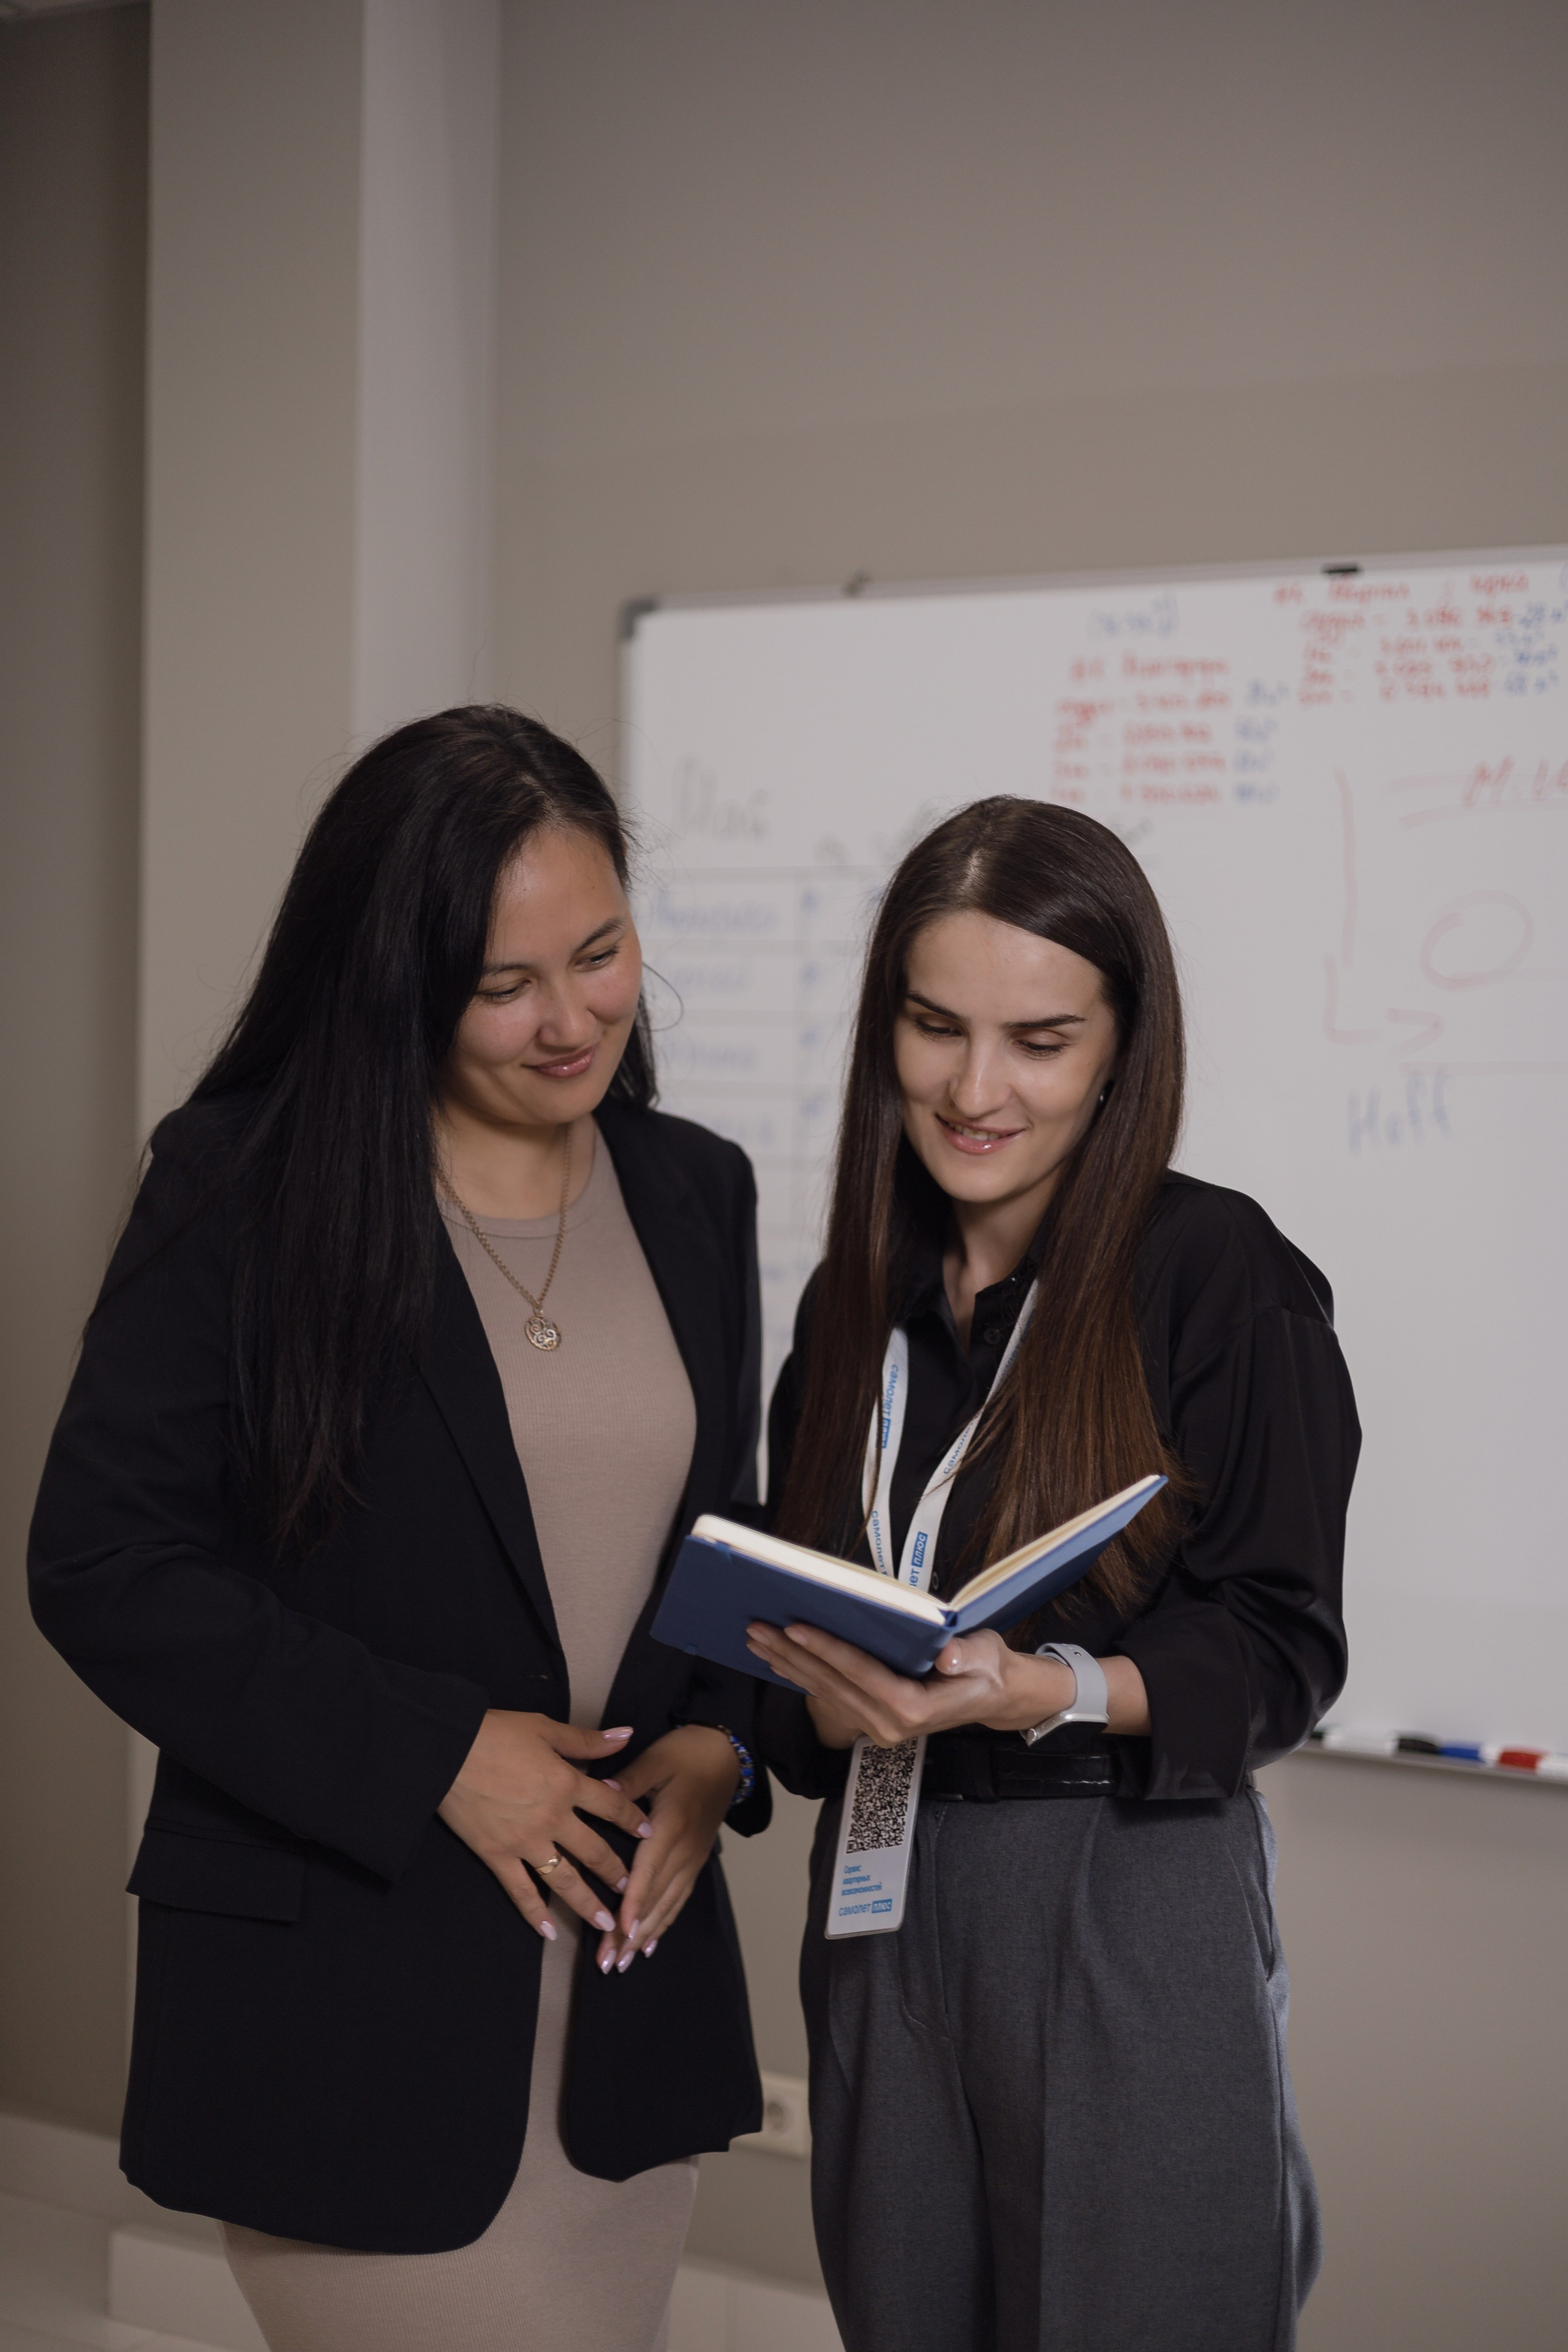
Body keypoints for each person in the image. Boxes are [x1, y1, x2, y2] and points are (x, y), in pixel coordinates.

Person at [29, 707, 770, 2352]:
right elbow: (103, 1564)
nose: (571, 1019)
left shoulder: (695, 1190)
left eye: (600, 952)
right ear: (391, 972)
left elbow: (724, 1540)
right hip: (350, 2007)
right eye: (504, 985)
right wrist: (441, 1752)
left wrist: (720, 1743)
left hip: (626, 2006)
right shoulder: (241, 1189)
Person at [750, 797, 1358, 2352]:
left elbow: (1280, 1644)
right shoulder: (849, 1304)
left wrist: (1045, 1687)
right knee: (901, 2319)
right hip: (884, 1885)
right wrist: (818, 1697)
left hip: (1120, 1878)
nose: (973, 1088)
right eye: (934, 1026)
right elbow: (794, 1667)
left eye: (1037, 1039)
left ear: (1118, 1047)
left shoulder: (1214, 1270)